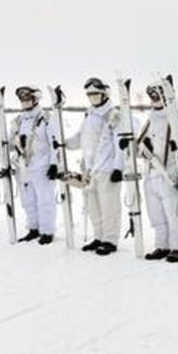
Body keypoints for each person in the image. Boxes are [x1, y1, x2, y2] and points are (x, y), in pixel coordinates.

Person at [132, 83, 178, 262]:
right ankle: (161, 245)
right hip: (151, 175)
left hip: (170, 175)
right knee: (156, 215)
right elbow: (139, 147)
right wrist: (138, 148)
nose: (155, 98)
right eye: (152, 96)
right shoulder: (149, 121)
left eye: (158, 95)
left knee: (175, 215)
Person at [63, 78, 124, 254]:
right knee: (92, 207)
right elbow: (80, 138)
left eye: (95, 94)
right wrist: (64, 143)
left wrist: (118, 168)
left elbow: (120, 143)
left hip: (107, 168)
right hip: (89, 169)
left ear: (104, 94)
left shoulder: (114, 115)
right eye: (89, 94)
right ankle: (98, 237)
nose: (92, 97)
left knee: (109, 207)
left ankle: (110, 240)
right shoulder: (89, 115)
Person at [10, 85, 58, 244]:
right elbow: (11, 141)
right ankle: (33, 228)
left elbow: (54, 142)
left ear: (35, 99)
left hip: (42, 165)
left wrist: (54, 163)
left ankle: (47, 231)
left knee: (45, 200)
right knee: (28, 200)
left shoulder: (45, 118)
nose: (24, 101)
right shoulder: (19, 120)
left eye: (27, 98)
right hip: (24, 166)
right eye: (22, 99)